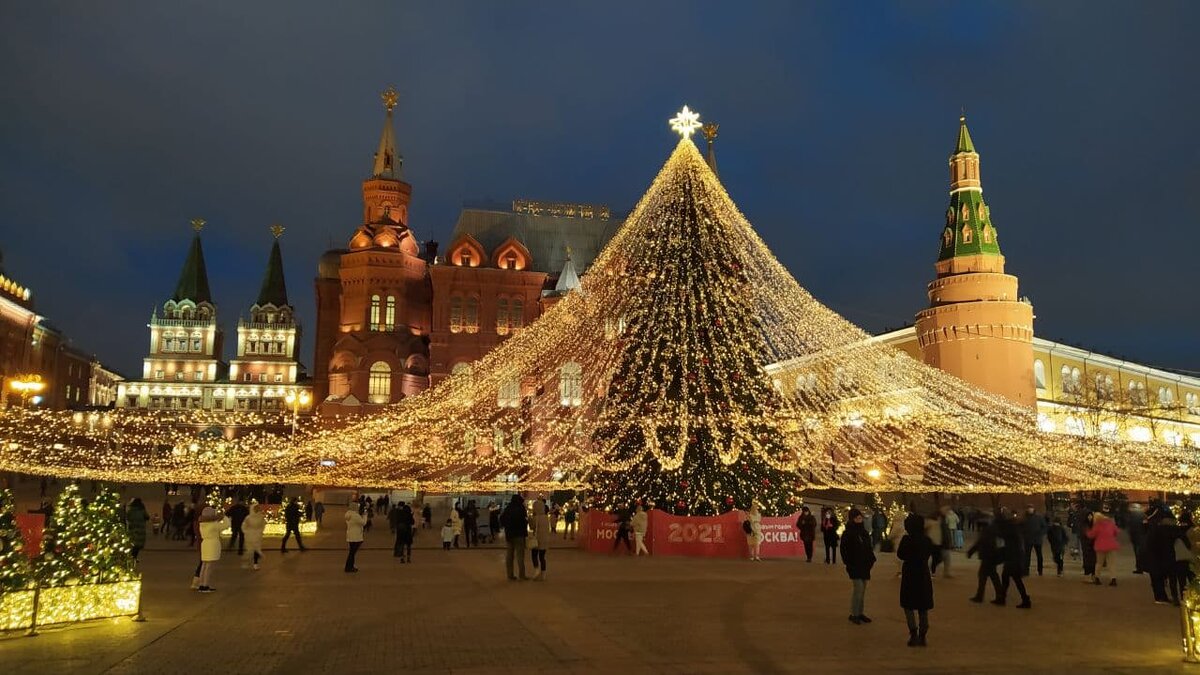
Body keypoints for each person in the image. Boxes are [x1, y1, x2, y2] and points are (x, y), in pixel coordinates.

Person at [898, 513, 934, 647]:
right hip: (923, 574)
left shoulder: (906, 540)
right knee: (922, 607)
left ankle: (913, 634)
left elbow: (900, 555)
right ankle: (923, 635)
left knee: (908, 606)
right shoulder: (926, 540)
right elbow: (929, 553)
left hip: (909, 575)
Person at [840, 508, 876, 624]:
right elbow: (844, 550)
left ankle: (860, 613)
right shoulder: (848, 533)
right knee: (858, 589)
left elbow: (868, 547)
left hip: (865, 565)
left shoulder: (864, 532)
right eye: (857, 518)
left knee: (863, 589)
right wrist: (849, 563)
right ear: (852, 519)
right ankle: (854, 614)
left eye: (860, 518)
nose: (859, 520)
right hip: (854, 566)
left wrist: (871, 560)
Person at [995, 509, 1032, 608]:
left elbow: (1002, 534)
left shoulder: (1011, 528)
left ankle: (1024, 599)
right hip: (1015, 557)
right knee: (1010, 578)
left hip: (1013, 558)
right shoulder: (1014, 527)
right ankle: (1004, 598)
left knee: (1013, 579)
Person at [967, 516, 1003, 603]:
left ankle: (981, 596)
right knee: (991, 576)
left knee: (986, 576)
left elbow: (980, 543)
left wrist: (971, 551)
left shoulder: (987, 531)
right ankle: (998, 596)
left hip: (988, 557)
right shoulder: (992, 530)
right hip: (991, 557)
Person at [197, 506, 227, 592]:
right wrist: (223, 516)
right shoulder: (214, 524)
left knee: (204, 565)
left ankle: (201, 584)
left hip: (205, 544)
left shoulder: (202, 524)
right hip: (212, 544)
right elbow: (226, 525)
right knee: (209, 566)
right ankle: (205, 585)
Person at [1087, 507, 1120, 586]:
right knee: (1112, 563)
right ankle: (1113, 579)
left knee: (1099, 563)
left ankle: (1097, 578)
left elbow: (1091, 535)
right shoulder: (1110, 523)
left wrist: (1087, 529)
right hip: (1111, 545)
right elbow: (1116, 532)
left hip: (1100, 546)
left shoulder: (1097, 525)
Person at [501, 495, 529, 580]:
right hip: (519, 535)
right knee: (520, 556)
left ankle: (510, 575)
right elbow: (524, 521)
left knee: (509, 555)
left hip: (509, 535)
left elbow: (502, 519)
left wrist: (507, 526)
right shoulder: (521, 508)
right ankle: (522, 575)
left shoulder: (508, 508)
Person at [1021, 505, 1048, 577]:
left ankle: (1040, 570)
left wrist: (1040, 533)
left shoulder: (1039, 517)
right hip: (1028, 539)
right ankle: (1026, 571)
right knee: (1027, 556)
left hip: (1037, 539)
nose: (1029, 510)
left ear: (1033, 509)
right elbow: (1021, 528)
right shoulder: (1024, 518)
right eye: (1028, 508)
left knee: (1039, 555)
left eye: (1031, 508)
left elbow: (1045, 527)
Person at [530, 498, 551, 580]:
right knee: (542, 557)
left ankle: (536, 570)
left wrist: (530, 519)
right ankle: (543, 574)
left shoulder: (535, 518)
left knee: (534, 555)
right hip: (545, 539)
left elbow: (532, 527)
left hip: (536, 539)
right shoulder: (546, 517)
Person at [344, 501, 366, 573]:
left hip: (350, 535)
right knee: (352, 553)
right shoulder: (355, 515)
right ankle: (349, 567)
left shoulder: (348, 514)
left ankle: (350, 566)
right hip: (356, 536)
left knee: (352, 552)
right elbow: (363, 523)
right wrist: (365, 515)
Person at [243, 502, 266, 570]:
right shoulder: (248, 518)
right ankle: (248, 561)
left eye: (258, 508)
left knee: (256, 548)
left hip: (257, 535)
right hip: (250, 535)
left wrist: (261, 531)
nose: (257, 510)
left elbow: (263, 525)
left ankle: (255, 563)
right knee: (250, 549)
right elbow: (244, 526)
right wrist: (246, 532)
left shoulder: (261, 517)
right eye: (255, 508)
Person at [926, 509, 948, 578]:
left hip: (937, 543)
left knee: (937, 558)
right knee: (934, 557)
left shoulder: (940, 523)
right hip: (932, 542)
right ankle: (931, 571)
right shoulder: (931, 522)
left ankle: (931, 570)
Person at [1127, 502, 1147, 574]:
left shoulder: (1131, 515)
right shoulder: (1143, 515)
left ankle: (1139, 568)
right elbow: (1145, 525)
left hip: (1135, 536)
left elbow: (1129, 525)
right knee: (1141, 553)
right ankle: (1141, 567)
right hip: (1141, 536)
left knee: (1137, 552)